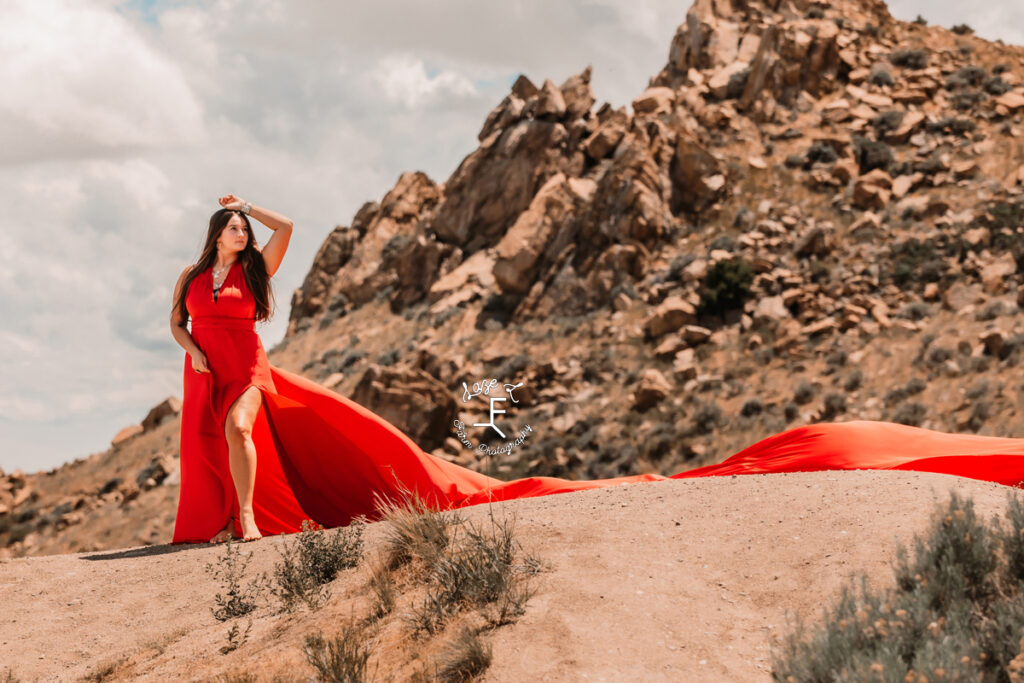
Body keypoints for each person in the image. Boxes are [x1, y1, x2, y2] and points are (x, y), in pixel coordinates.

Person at [169, 198, 1024, 547]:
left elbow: (291, 239)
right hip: (211, 367)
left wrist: (258, 205)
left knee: (246, 431)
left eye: (244, 232)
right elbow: (175, 320)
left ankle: (247, 519)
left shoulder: (251, 272)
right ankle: (232, 514)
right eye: (233, 229)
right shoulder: (196, 279)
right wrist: (194, 349)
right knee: (217, 437)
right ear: (215, 236)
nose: (242, 239)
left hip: (254, 370)